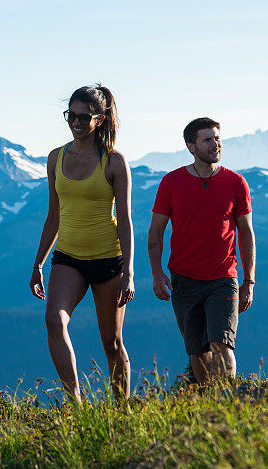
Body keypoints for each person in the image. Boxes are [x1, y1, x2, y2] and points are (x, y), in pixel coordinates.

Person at [29, 84, 134, 402]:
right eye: (70, 115)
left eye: (83, 117)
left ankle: (122, 411)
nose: (76, 122)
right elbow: (53, 216)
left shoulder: (114, 162)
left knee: (111, 342)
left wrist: (129, 271)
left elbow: (126, 221)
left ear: (100, 119)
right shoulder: (55, 158)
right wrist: (38, 265)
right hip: (68, 257)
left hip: (108, 259)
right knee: (53, 320)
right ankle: (75, 403)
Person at [147, 117, 255, 384]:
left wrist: (248, 280)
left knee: (223, 344)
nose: (215, 144)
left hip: (223, 278)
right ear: (191, 147)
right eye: (207, 139)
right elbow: (156, 232)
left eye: (217, 138)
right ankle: (209, 404)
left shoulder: (236, 182)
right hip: (184, 279)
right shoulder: (171, 182)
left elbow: (246, 233)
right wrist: (157, 274)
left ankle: (226, 405)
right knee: (197, 351)